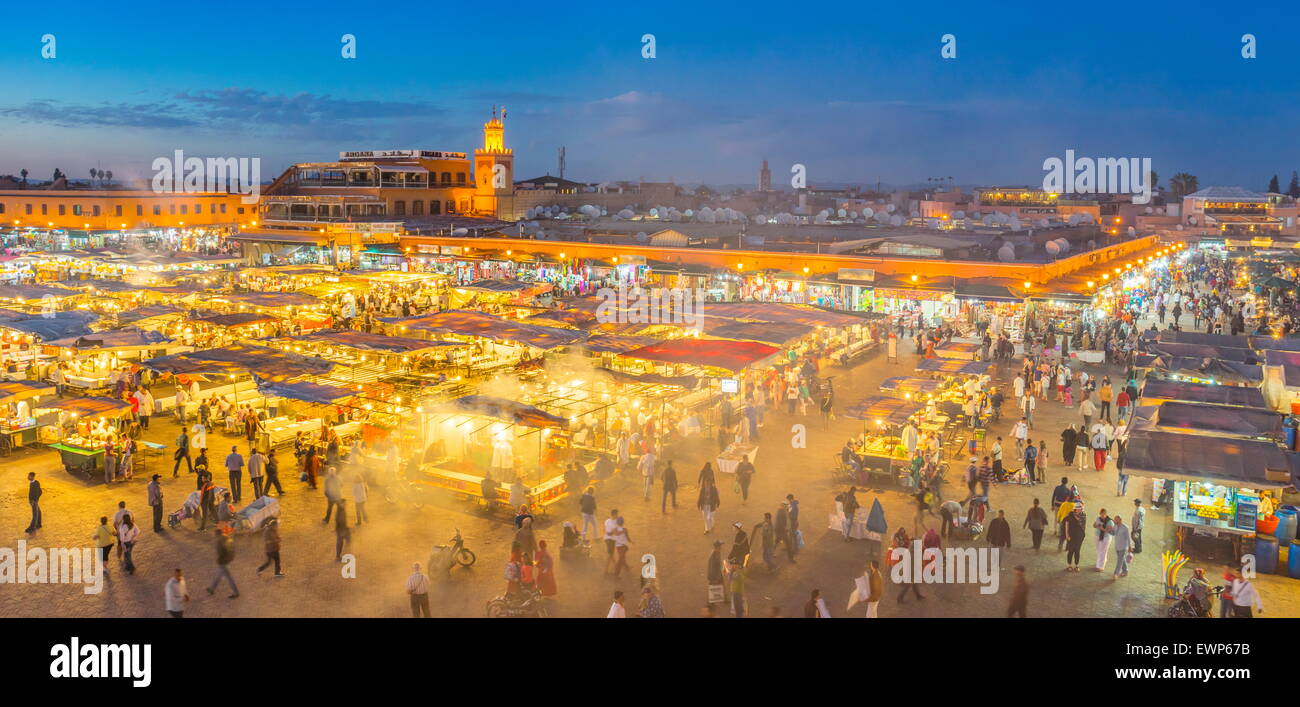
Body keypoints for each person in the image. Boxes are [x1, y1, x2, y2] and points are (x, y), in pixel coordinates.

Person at [205, 529, 239, 598]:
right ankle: (212, 588)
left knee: (228, 577)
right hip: (229, 557)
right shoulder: (227, 537)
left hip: (223, 560)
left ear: (216, 534)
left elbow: (220, 552)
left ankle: (236, 592)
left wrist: (219, 560)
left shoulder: (219, 541)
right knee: (219, 574)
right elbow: (232, 547)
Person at [1063, 506, 1085, 572]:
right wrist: (1067, 534)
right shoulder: (1070, 516)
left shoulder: (1083, 516)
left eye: (1081, 509)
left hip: (1079, 536)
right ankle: (1069, 565)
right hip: (1071, 536)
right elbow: (1066, 525)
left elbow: (1083, 525)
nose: (1080, 510)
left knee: (1077, 551)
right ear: (1075, 509)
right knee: (1071, 551)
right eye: (1079, 509)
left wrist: (1083, 535)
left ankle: (1076, 565)